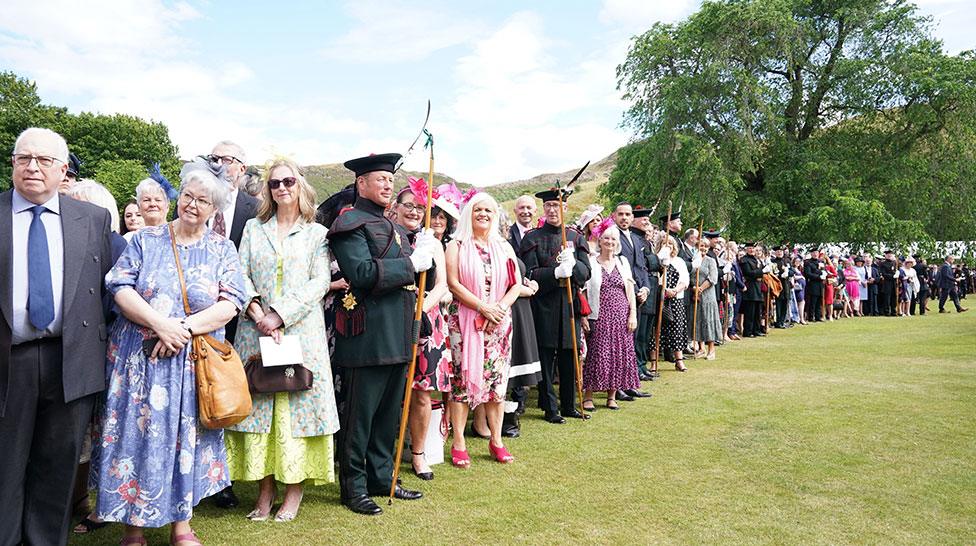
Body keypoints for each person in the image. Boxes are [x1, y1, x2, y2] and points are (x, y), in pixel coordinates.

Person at [90, 164, 247, 545]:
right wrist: (160, 323)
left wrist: (183, 329)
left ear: (215, 208)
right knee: (135, 438)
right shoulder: (147, 239)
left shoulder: (222, 249)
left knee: (184, 441)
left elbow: (232, 302)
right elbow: (119, 286)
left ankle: (182, 525)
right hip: (138, 362)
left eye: (203, 200)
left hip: (191, 366)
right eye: (189, 196)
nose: (193, 205)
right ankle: (133, 528)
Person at [0, 128, 113, 546]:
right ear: (12, 163)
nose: (32, 167)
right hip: (8, 362)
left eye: (44, 160)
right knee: (5, 468)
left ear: (63, 169)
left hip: (72, 361)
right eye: (23, 158)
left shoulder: (93, 219)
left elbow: (115, 288)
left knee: (58, 469)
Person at [223, 159, 339, 523]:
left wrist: (281, 314)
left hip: (299, 332)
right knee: (262, 411)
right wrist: (258, 313)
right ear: (268, 191)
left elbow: (319, 282)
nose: (282, 188)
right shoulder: (254, 229)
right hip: (256, 333)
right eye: (274, 183)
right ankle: (264, 492)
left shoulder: (316, 233)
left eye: (289, 181)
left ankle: (293, 493)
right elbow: (238, 274)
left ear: (300, 186)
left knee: (295, 416)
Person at [327, 153, 430, 516]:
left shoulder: (399, 229)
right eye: (380, 179)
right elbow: (362, 272)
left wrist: (426, 254)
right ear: (361, 184)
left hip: (400, 331)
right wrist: (410, 263)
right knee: (361, 417)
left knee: (388, 415)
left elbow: (418, 279)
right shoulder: (349, 224)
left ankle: (382, 478)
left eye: (390, 180)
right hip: (368, 334)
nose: (387, 185)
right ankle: (353, 487)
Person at [444, 192, 522, 466]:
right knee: (462, 382)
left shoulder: (504, 246)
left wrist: (498, 308)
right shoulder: (456, 244)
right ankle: (459, 442)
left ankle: (497, 440)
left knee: (497, 383)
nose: (484, 214)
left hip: (499, 322)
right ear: (469, 213)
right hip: (465, 320)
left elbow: (516, 284)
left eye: (489, 210)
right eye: (478, 209)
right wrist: (482, 307)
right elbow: (453, 283)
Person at [391, 184, 452, 481]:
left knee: (422, 392)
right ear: (396, 207)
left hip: (426, 321)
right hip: (393, 319)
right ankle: (386, 452)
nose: (414, 211)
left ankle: (418, 454)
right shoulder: (388, 235)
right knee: (391, 390)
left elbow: (442, 284)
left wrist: (422, 307)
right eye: (409, 205)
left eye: (419, 207)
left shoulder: (433, 242)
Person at [519, 188, 592, 424]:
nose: (553, 210)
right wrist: (555, 273)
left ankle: (570, 405)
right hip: (544, 304)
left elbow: (586, 272)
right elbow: (529, 273)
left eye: (557, 206)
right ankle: (550, 407)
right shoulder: (532, 238)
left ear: (565, 208)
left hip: (569, 304)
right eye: (549, 206)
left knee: (569, 356)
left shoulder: (575, 237)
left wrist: (574, 267)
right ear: (544, 209)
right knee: (546, 356)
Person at [581, 224, 639, 410]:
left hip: (621, 315)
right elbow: (582, 291)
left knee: (618, 355)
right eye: (606, 238)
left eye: (613, 239)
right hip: (598, 315)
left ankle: (611, 396)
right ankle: (588, 395)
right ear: (599, 240)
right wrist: (583, 316)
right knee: (596, 354)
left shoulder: (623, 263)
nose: (610, 242)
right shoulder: (591, 262)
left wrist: (633, 314)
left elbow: (630, 291)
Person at [612, 203, 652, 397]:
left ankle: (629, 382)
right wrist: (635, 290)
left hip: (640, 295)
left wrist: (645, 288)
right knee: (621, 341)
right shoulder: (612, 237)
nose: (625, 218)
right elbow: (619, 269)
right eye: (621, 214)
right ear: (614, 216)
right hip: (621, 295)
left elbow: (641, 267)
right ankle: (618, 385)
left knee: (633, 341)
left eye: (628, 214)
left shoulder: (637, 239)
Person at [655, 233, 690, 371]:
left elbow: (685, 280)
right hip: (660, 299)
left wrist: (674, 291)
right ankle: (654, 360)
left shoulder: (679, 261)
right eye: (664, 244)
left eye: (670, 244)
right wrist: (663, 290)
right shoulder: (657, 260)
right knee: (656, 330)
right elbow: (655, 278)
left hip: (676, 299)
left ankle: (679, 360)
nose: (667, 246)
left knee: (677, 329)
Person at [692, 238, 722, 358]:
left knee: (708, 320)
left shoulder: (711, 261)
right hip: (695, 295)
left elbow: (713, 278)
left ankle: (711, 349)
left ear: (708, 248)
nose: (702, 248)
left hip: (708, 295)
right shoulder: (694, 261)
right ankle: (701, 348)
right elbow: (690, 276)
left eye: (705, 246)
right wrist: (694, 288)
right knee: (698, 320)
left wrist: (701, 288)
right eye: (700, 246)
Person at [739, 242, 766, 337]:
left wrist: (760, 273)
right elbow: (748, 273)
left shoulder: (756, 259)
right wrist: (761, 272)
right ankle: (748, 331)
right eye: (749, 248)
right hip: (750, 288)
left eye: (753, 248)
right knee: (750, 312)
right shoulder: (744, 260)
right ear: (746, 249)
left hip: (758, 288)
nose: (751, 250)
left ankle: (756, 330)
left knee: (758, 311)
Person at [803, 248, 827, 322]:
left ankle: (818, 316)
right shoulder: (808, 262)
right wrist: (818, 276)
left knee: (819, 301)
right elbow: (808, 274)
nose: (815, 254)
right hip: (812, 284)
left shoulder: (821, 262)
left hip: (820, 284)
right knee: (812, 301)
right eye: (814, 252)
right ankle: (811, 316)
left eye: (816, 252)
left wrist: (824, 273)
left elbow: (824, 271)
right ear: (811, 254)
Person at [878, 250, 898, 316]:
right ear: (885, 255)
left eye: (890, 254)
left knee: (894, 297)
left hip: (894, 283)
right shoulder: (883, 263)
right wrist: (892, 276)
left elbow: (895, 270)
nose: (889, 255)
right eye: (888, 254)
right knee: (887, 298)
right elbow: (883, 273)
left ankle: (894, 311)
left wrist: (897, 273)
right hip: (887, 283)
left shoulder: (894, 263)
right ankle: (886, 312)